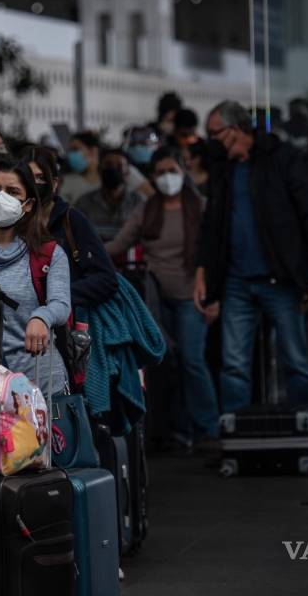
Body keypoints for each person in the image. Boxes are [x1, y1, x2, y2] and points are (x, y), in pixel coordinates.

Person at [194, 100, 308, 413]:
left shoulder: (283, 159)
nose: (210, 140)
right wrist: (202, 271)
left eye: (215, 133)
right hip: (237, 281)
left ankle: (305, 432)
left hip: (281, 277)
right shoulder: (224, 169)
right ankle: (237, 437)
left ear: (236, 129)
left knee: (296, 360)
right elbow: (212, 225)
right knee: (234, 365)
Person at [105, 149, 219, 446]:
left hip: (192, 297)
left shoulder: (201, 208)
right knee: (166, 363)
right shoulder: (146, 210)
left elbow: (214, 253)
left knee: (192, 360)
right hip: (156, 300)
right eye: (160, 172)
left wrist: (214, 294)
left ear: (183, 172)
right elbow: (119, 244)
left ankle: (209, 429)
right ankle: (179, 431)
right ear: (153, 176)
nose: (167, 177)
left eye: (172, 170)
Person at [0, 157, 71, 399]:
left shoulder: (48, 254)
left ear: (27, 205)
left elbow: (61, 304)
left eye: (12, 191)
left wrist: (41, 317)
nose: (1, 197)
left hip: (40, 383)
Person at [20, 145, 120, 310]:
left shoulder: (72, 220)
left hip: (67, 321)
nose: (34, 184)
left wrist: (57, 295)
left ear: (54, 183)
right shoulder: (13, 221)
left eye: (40, 178)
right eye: (28, 178)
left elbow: (106, 279)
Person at [74, 149, 146, 242]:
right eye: (108, 165)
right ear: (99, 169)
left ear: (128, 171)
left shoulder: (138, 202)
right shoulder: (84, 202)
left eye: (119, 165)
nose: (113, 169)